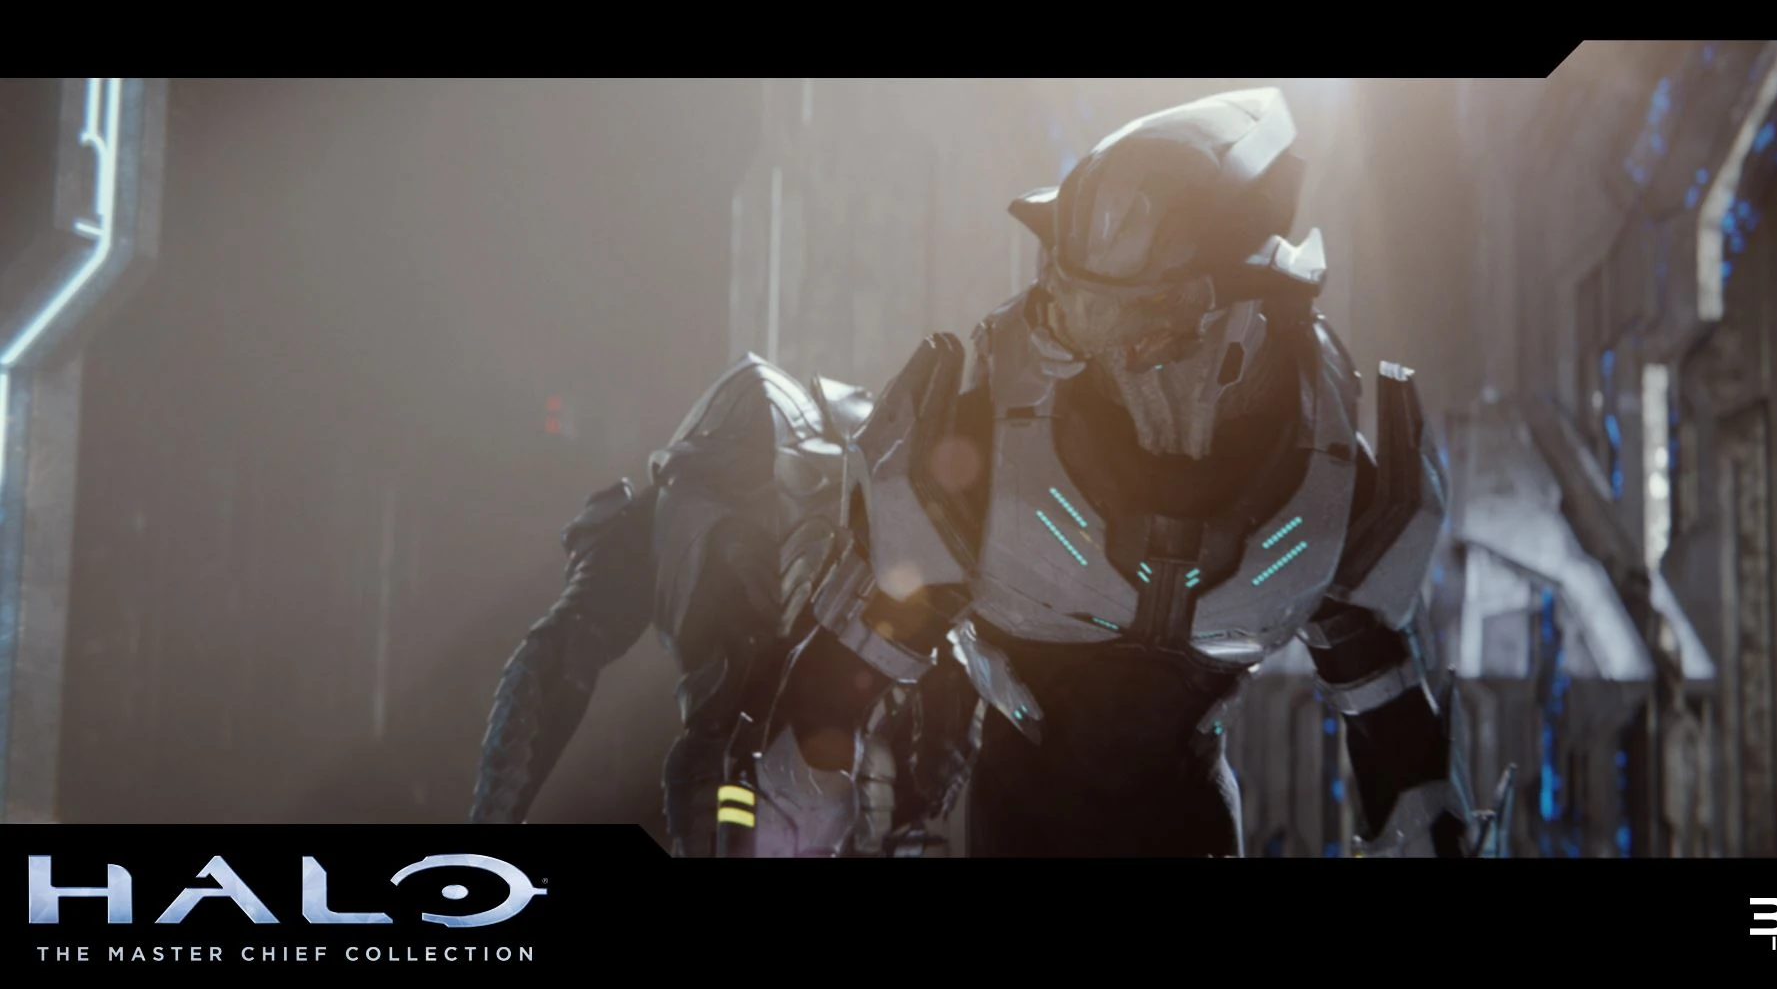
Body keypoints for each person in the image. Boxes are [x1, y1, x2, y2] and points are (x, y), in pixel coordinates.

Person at [719, 87, 1510, 857]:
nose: (1099, 346)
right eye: (1078, 307)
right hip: (1019, 819)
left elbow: (1406, 767)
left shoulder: (1330, 481)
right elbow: (815, 733)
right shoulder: (981, 444)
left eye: (1136, 316)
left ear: (1239, 315)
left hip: (1191, 824)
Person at [468, 357, 974, 855]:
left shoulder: (680, 499)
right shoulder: (679, 504)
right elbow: (555, 660)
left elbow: (552, 659)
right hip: (778, 785)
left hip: (822, 783)